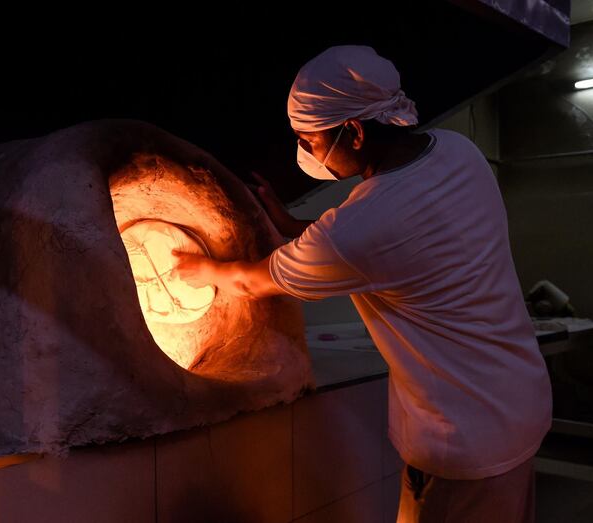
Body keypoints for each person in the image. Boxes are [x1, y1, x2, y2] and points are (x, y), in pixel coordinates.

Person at [174, 45, 551, 522]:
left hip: (464, 441)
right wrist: (293, 225)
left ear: (351, 131)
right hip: (520, 405)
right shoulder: (459, 152)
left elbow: (254, 281)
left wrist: (196, 269)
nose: (306, 153)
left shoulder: (363, 228)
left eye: (308, 140)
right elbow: (394, 239)